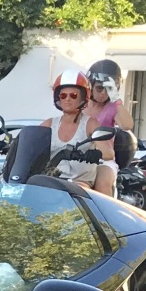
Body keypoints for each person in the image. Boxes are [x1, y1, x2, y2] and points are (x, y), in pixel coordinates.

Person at [41, 69, 115, 197]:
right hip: (51, 179)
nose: (67, 99)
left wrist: (93, 153)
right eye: (63, 95)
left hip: (79, 182)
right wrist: (8, 145)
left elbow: (108, 153)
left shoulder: (90, 123)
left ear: (82, 97)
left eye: (73, 95)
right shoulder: (49, 124)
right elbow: (28, 144)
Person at [85, 59, 133, 131]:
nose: (103, 93)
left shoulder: (112, 108)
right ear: (90, 86)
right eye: (99, 88)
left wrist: (116, 99)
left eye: (109, 89)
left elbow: (127, 126)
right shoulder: (80, 104)